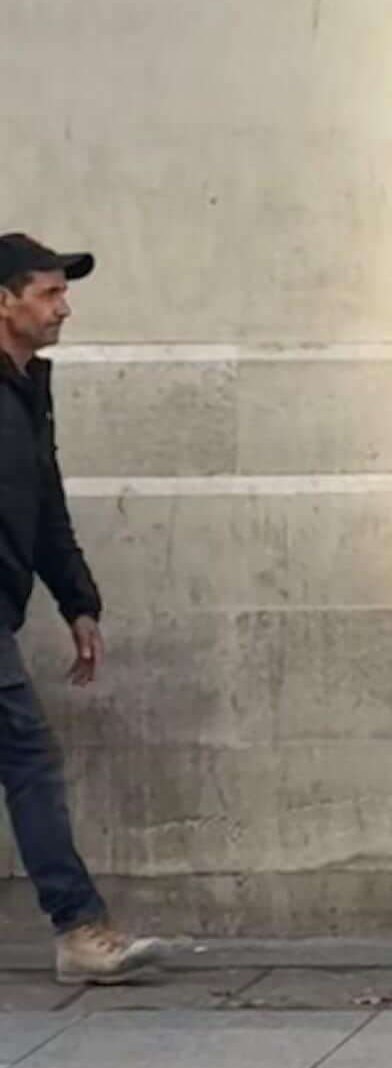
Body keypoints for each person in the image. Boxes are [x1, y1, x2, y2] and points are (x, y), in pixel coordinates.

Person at [0, 235, 162, 986]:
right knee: (29, 758)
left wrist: (78, 601)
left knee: (27, 759)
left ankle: (80, 928)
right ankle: (79, 928)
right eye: (49, 293)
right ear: (5, 301)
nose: (64, 306)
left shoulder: (29, 387)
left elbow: (45, 504)